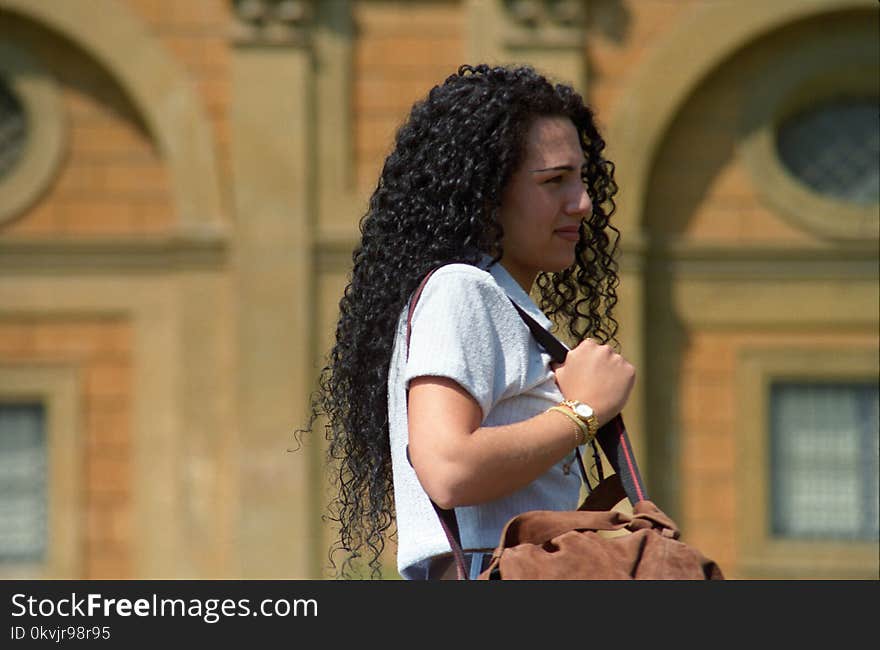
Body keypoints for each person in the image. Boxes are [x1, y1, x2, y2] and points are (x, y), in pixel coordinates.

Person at [303, 63, 636, 579]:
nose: (584, 203)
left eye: (583, 179)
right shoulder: (462, 289)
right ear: (485, 194)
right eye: (555, 182)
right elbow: (449, 468)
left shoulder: (494, 299)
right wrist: (583, 411)